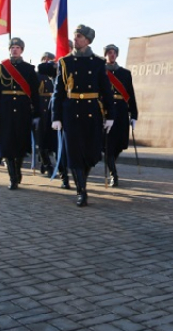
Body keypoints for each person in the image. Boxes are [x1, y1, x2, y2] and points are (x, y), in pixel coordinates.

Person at [52, 25, 115, 206]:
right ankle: (81, 191)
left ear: (87, 40)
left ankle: (83, 182)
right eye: (75, 36)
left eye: (79, 36)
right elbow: (59, 92)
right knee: (74, 153)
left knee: (90, 153)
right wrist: (56, 116)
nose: (76, 39)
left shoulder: (97, 62)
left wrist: (110, 115)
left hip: (92, 112)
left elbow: (106, 90)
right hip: (71, 113)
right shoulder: (65, 62)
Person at [0, 37, 40, 190]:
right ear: (9, 49)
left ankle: (18, 170)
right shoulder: (1, 68)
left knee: (19, 144)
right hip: (5, 110)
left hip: (22, 110)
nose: (15, 49)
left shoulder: (29, 69)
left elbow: (35, 93)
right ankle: (12, 177)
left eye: (18, 47)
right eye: (12, 47)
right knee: (6, 143)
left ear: (22, 50)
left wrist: (37, 113)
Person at [103, 44, 138, 188]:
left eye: (114, 53)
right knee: (108, 146)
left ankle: (112, 165)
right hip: (106, 113)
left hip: (122, 112)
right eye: (109, 53)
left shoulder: (125, 73)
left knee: (119, 145)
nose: (112, 55)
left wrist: (134, 114)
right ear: (105, 55)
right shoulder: (101, 72)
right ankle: (113, 175)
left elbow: (130, 95)